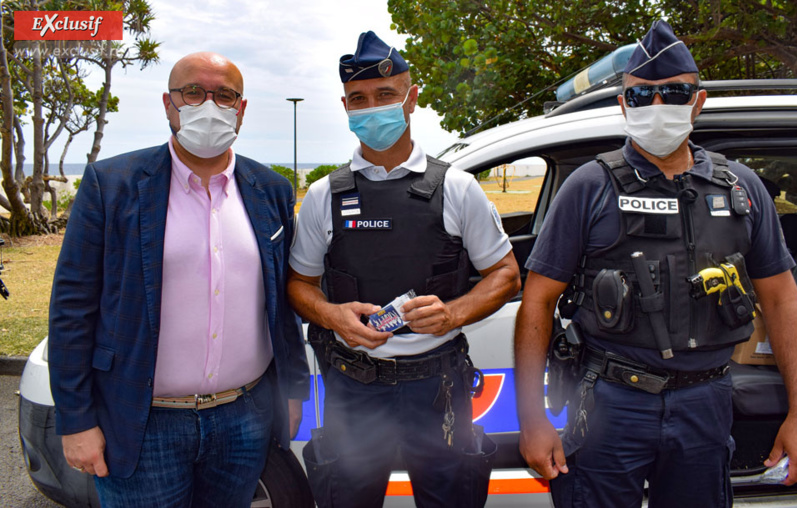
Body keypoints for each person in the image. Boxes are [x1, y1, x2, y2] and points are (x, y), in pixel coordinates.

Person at [514, 20, 797, 508]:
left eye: (673, 93)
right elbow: (537, 300)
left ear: (697, 102)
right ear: (622, 104)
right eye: (640, 96)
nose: (656, 107)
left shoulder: (740, 188)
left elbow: (782, 301)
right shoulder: (590, 187)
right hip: (610, 400)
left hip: (707, 402)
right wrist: (533, 419)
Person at [48, 52, 309, 507]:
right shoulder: (112, 184)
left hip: (243, 420)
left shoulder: (271, 190)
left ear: (241, 109)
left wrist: (292, 394)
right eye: (193, 92)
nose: (209, 104)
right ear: (169, 104)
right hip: (142, 423)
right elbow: (72, 308)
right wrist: (75, 420)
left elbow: (280, 303)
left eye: (224, 94)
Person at [287, 31, 521, 508]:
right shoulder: (323, 196)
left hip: (437, 387)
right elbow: (299, 285)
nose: (372, 107)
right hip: (354, 386)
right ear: (346, 106)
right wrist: (332, 316)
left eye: (385, 95)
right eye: (359, 99)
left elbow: (505, 274)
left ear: (411, 98)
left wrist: (454, 313)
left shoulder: (456, 188)